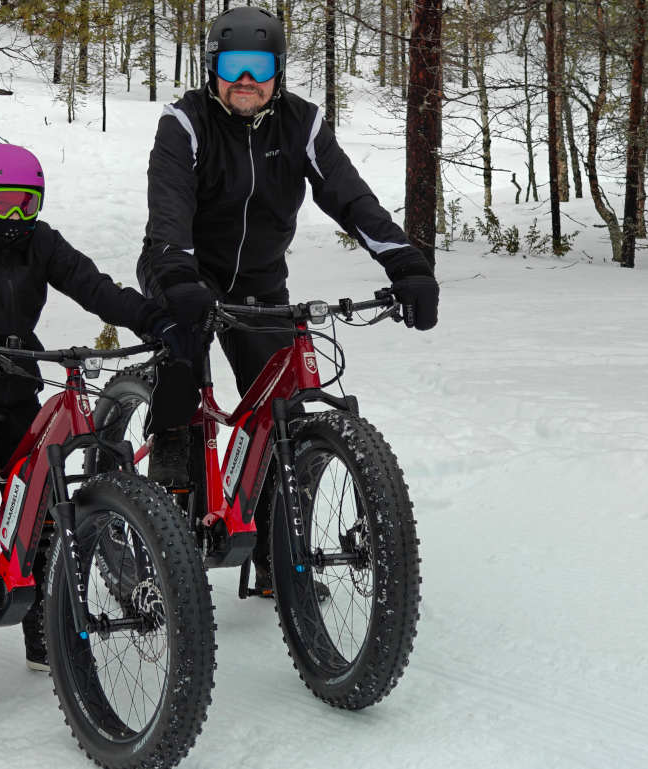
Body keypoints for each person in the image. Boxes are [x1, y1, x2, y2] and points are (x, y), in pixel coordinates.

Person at [137, 6, 440, 595]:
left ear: (277, 72)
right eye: (231, 65)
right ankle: (157, 541)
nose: (244, 79)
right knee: (183, 397)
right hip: (183, 271)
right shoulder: (185, 122)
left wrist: (405, 262)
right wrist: (178, 276)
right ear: (211, 68)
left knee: (286, 413)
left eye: (259, 67)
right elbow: (168, 209)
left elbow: (352, 199)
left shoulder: (301, 123)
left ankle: (279, 551)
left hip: (259, 282)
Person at [0, 143, 188, 670]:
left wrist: (152, 320)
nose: (16, 217)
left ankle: (39, 604)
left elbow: (93, 287)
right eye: (3, 203)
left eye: (27, 204)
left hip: (14, 376)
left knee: (40, 490)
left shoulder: (39, 242)